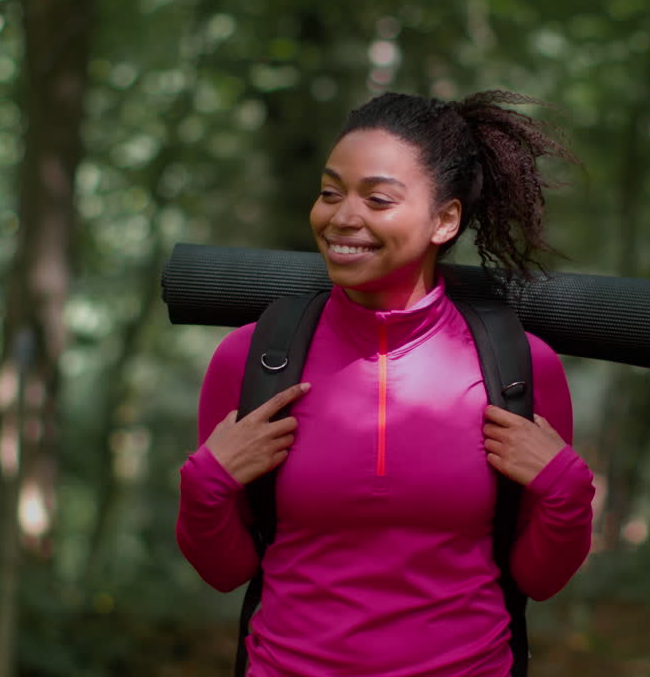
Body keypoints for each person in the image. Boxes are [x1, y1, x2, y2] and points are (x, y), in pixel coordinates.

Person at [175, 90, 596, 676]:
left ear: (444, 220)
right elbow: (226, 572)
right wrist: (206, 486)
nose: (342, 217)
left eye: (376, 199)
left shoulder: (519, 367)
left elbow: (539, 579)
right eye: (329, 193)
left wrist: (565, 490)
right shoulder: (253, 359)